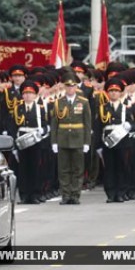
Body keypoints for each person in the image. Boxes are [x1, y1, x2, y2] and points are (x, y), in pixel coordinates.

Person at [51, 73, 92, 205]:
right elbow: (54, 124)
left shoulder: (83, 102)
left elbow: (87, 124)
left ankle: (75, 195)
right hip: (63, 139)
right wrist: (54, 142)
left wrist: (87, 142)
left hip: (78, 139)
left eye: (72, 86)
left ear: (76, 87)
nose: (70, 89)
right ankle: (65, 195)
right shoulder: (58, 102)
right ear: (64, 87)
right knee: (63, 169)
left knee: (77, 169)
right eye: (67, 87)